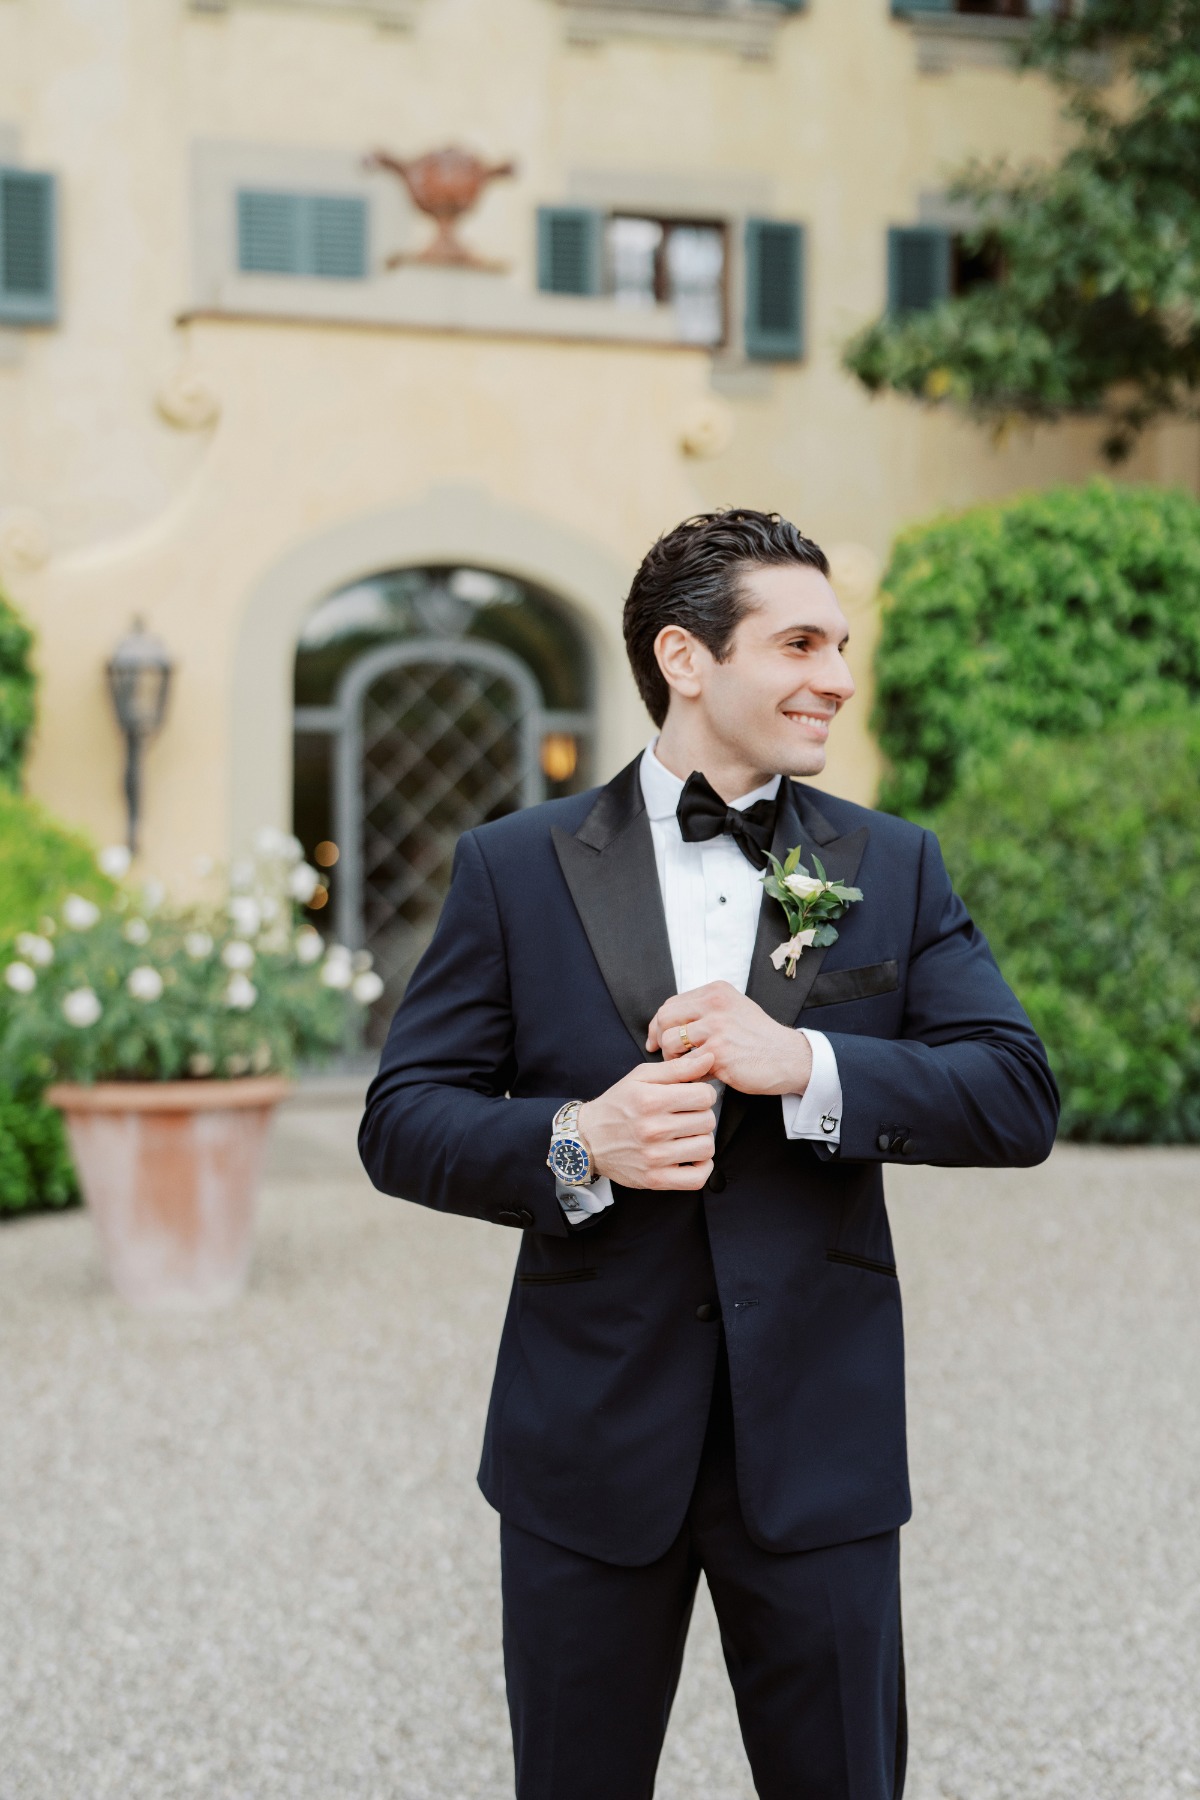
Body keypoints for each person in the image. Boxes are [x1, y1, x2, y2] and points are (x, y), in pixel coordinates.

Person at [359, 509, 1059, 1800]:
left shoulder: (892, 865)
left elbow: (1017, 1097)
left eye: (841, 645)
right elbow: (401, 1119)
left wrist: (810, 1068)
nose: (837, 678)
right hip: (586, 1450)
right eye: (799, 643)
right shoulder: (513, 870)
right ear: (686, 660)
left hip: (819, 1452)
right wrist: (581, 1142)